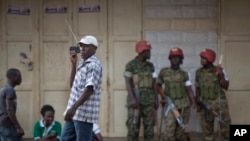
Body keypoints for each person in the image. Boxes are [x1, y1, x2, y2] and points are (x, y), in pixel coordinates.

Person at [61, 35, 103, 141]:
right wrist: (73, 65)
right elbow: (72, 85)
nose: (82, 49)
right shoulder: (82, 64)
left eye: (86, 46)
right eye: (81, 46)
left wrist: (74, 108)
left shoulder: (94, 65)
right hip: (73, 112)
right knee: (65, 139)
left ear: (94, 48)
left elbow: (89, 89)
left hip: (83, 114)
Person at [157, 47, 196, 141]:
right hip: (170, 105)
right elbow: (157, 86)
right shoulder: (164, 72)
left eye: (177, 57)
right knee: (170, 131)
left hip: (184, 105)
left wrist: (193, 102)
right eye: (173, 57)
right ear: (170, 59)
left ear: (181, 59)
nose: (175, 59)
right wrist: (164, 96)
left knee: (180, 132)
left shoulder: (185, 74)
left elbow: (189, 89)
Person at [124, 40, 158, 141]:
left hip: (149, 102)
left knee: (149, 129)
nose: (149, 53)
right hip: (135, 101)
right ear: (141, 51)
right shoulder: (130, 65)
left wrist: (156, 98)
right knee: (133, 128)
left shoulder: (151, 66)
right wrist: (133, 99)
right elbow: (128, 83)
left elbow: (154, 83)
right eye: (148, 51)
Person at [195, 49, 231, 141]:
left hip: (220, 104)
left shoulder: (220, 70)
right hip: (206, 104)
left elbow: (226, 86)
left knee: (226, 127)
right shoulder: (199, 72)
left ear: (209, 58)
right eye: (201, 58)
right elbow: (197, 88)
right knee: (207, 130)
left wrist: (220, 75)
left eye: (203, 58)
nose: (201, 60)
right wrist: (198, 104)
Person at [0, 68, 24, 141]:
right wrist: (18, 127)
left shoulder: (3, 89)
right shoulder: (10, 90)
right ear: (13, 77)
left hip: (2, 125)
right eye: (19, 76)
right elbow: (10, 109)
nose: (21, 79)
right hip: (8, 126)